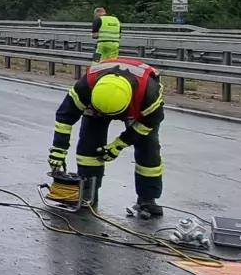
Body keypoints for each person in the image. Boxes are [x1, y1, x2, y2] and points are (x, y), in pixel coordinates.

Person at [48, 57, 164, 217]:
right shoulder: (85, 86)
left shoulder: (149, 94)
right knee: (88, 149)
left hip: (137, 109)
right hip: (96, 104)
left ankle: (148, 200)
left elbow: (148, 124)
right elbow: (64, 116)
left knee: (148, 149)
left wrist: (119, 145)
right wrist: (58, 149)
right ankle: (88, 194)